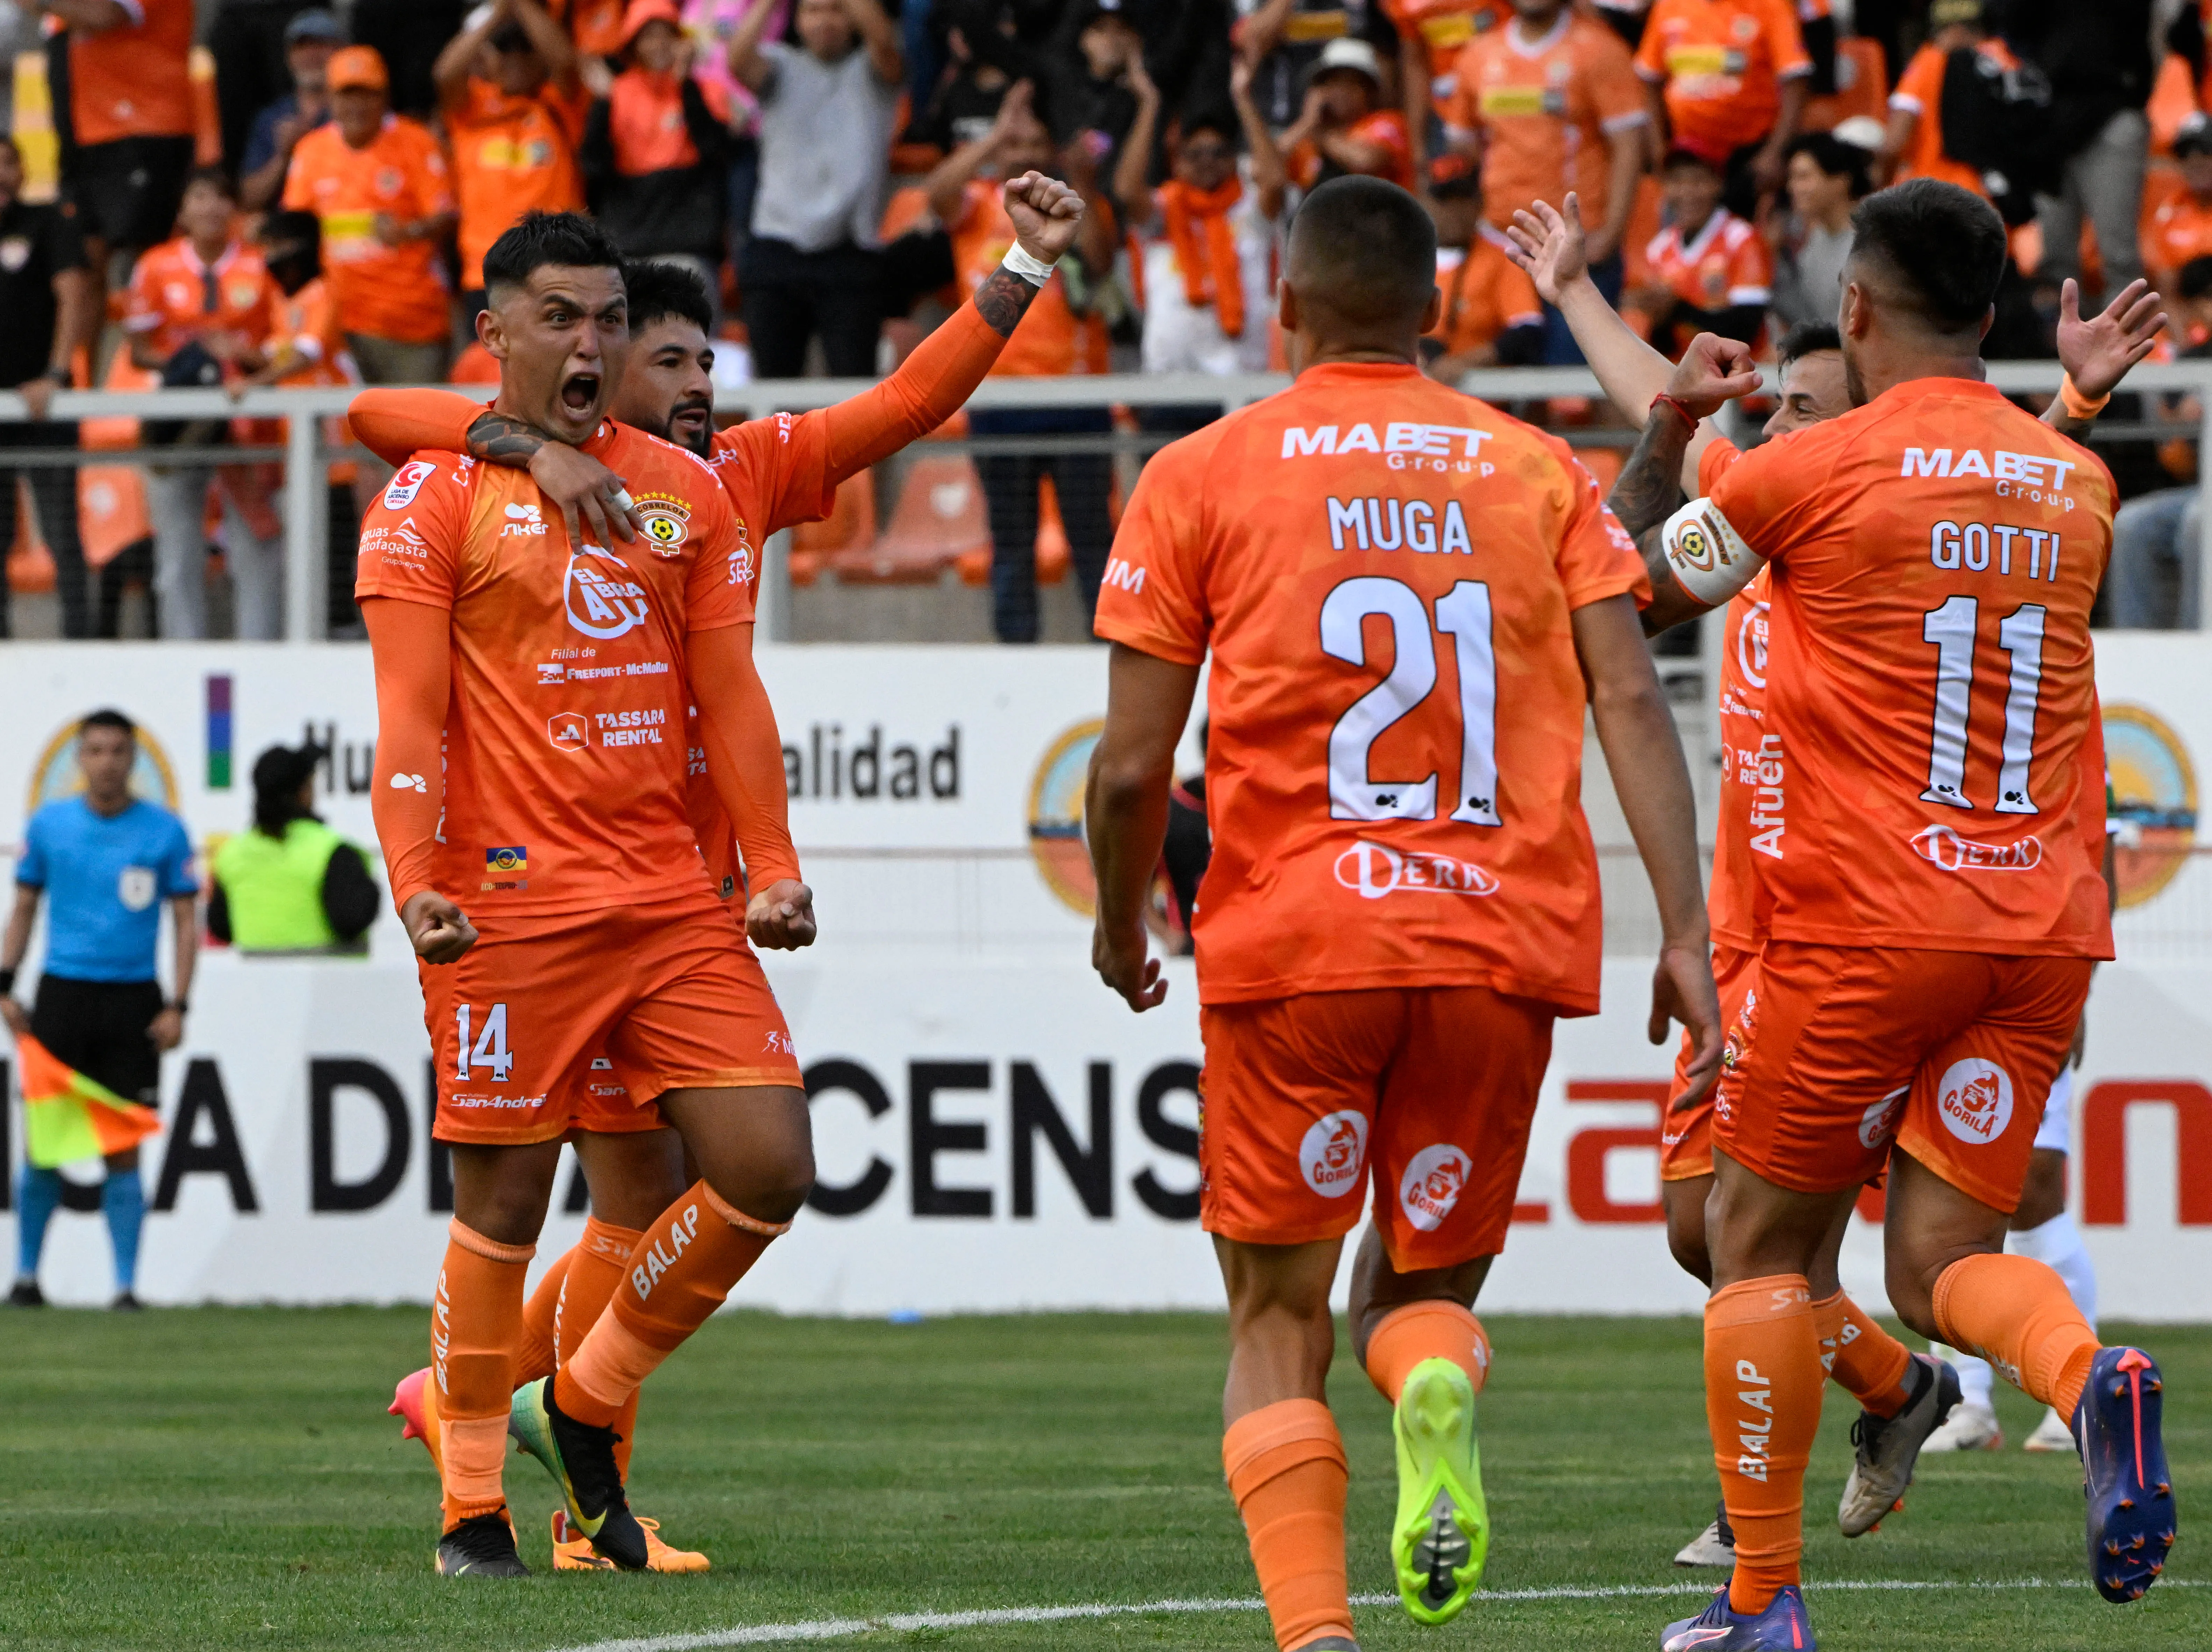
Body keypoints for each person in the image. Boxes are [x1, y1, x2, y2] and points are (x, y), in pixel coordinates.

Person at [355, 185, 1084, 1576]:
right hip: (520, 901)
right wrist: (417, 874)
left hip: (676, 901)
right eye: (655, 353)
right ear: (521, 340)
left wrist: (1022, 263)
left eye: (677, 348)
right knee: (528, 1199)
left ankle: (571, 1411)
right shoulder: (453, 479)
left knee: (727, 1176)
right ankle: (489, 1499)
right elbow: (376, 426)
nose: (685, 379)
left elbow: (903, 414)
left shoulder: (722, 479)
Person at [1085, 173, 1722, 1650]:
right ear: (1434, 308)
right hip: (1497, 949)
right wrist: (1684, 934)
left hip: (1295, 941)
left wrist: (1123, 921)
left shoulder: (1203, 470)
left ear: (1285, 298)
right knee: (1417, 1292)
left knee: (1271, 1316)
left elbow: (1127, 767)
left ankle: (1317, 1634)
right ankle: (1431, 1372)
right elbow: (1629, 693)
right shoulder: (1532, 469)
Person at [1506, 184, 2165, 1567]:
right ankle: (2081, 1372)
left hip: (1862, 926)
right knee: (1930, 1266)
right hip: (2034, 927)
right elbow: (1964, 531)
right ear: (1993, 315)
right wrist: (2078, 410)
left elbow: (1627, 594)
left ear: (1855, 309)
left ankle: (1759, 1587)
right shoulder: (2078, 480)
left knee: (1746, 1235)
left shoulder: (1803, 477)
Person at [1, 710, 197, 1313]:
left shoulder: (164, 832)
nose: (106, 762)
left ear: (133, 760)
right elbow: (26, 908)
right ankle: (28, 1279)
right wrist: (5, 984)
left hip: (133, 999)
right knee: (44, 1144)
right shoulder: (51, 826)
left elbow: (186, 923)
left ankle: (124, 1286)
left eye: (117, 751)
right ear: (78, 760)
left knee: (123, 1146)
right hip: (62, 995)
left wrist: (178, 1004)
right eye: (95, 751)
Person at [924, 79, 1120, 643]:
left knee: (1092, 540)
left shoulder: (1074, 207)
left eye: (1034, 144)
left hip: (1076, 400)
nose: (1025, 156)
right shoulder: (977, 206)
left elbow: (1102, 265)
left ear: (1053, 151)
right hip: (999, 400)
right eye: (1015, 148)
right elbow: (936, 191)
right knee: (1010, 543)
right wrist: (994, 140)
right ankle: (1015, 660)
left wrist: (1082, 181)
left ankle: (1106, 654)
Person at [124, 168, 286, 642]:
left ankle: (260, 653)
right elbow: (139, 350)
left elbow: (283, 341)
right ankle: (183, 654)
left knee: (257, 543)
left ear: (235, 210)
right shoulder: (155, 266)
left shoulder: (262, 266)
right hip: (181, 420)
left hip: (248, 419)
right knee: (176, 550)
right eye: (199, 197)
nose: (211, 208)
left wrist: (241, 356)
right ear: (183, 210)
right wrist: (195, 359)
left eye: (221, 198)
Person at [1441, 0, 1645, 363]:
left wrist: (1611, 232)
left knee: (1572, 388)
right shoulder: (1477, 53)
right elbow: (1461, 145)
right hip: (1499, 243)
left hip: (1573, 241)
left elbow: (1628, 146)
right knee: (1490, 374)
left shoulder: (1600, 49)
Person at [730, 0, 905, 378]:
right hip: (775, 249)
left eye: (835, 10)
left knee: (854, 396)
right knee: (773, 395)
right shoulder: (779, 65)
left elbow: (883, 38)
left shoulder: (874, 71)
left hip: (851, 253)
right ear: (796, 19)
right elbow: (737, 60)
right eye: (813, 10)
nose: (825, 21)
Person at [283, 47, 460, 386]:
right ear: (331, 100)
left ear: (385, 97)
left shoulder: (416, 142)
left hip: (409, 320)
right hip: (337, 323)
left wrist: (409, 231)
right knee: (349, 430)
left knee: (414, 426)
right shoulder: (312, 150)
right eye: (347, 94)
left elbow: (446, 215)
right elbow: (297, 228)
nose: (357, 105)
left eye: (368, 94)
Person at [1113, 57, 1286, 378]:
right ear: (1177, 162)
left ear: (1234, 159)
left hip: (1241, 377)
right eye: (1195, 154)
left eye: (1219, 152)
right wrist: (1150, 106)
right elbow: (1126, 190)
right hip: (1171, 378)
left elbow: (1276, 181)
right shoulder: (1164, 211)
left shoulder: (1247, 211)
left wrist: (1243, 98)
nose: (1208, 161)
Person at [0, 134, 97, 641]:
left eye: (8, 163)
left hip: (43, 406)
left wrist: (56, 374)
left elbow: (74, 295)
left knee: (62, 531)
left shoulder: (48, 222)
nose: (0, 174)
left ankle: (80, 640)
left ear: (21, 172)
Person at [437, 0, 588, 319]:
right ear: (489, 58)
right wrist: (498, 13)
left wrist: (522, 3)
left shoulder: (558, 105)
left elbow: (565, 62)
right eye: (505, 49)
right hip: (489, 271)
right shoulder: (472, 109)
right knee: (490, 367)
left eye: (526, 48)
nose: (515, 58)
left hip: (557, 267)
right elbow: (445, 73)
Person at [581, 0, 733, 302]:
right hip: (630, 248)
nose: (659, 44)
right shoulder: (616, 94)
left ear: (682, 40)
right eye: (648, 36)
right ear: (633, 44)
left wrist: (686, 85)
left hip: (690, 248)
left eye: (668, 34)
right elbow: (593, 166)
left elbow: (717, 151)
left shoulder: (706, 90)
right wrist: (602, 104)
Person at [41, 0, 194, 294]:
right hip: (87, 132)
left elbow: (106, 15)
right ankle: (81, 343)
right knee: (82, 256)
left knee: (147, 253)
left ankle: (156, 336)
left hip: (143, 127)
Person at [2011, 0, 2150, 305]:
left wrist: (2133, 96)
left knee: (2119, 251)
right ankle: (2063, 341)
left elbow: (2147, 33)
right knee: (2056, 256)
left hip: (2111, 112)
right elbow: (2011, 19)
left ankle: (2126, 343)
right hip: (2052, 118)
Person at [1633, 0, 1810, 219]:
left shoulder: (1771, 6)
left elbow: (1796, 81)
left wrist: (1774, 152)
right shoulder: (1668, 7)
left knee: (1745, 239)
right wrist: (1659, 149)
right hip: (1687, 156)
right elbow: (1650, 81)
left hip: (1748, 157)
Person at [208, 745, 379, 956]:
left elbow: (220, 926)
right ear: (304, 792)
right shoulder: (332, 851)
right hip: (332, 985)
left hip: (256, 986)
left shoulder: (231, 854)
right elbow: (353, 919)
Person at [1634, 147, 1769, 358]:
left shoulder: (1742, 240)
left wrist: (1678, 309)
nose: (1687, 192)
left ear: (1718, 184)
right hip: (1682, 380)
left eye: (1698, 181)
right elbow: (1661, 342)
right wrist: (1659, 318)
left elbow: (1747, 330)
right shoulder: (1659, 249)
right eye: (1677, 181)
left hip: (1738, 383)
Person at [1422, 169, 1543, 376]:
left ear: (1480, 205)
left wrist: (1460, 364)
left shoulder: (1504, 255)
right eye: (1445, 201)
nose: (1455, 212)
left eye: (1464, 201)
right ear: (1425, 205)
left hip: (1482, 392)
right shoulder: (1402, 257)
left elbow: (1527, 330)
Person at [1378, 0, 1503, 179]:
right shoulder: (1404, 5)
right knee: (1447, 192)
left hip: (1499, 106)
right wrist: (1417, 145)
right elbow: (1415, 65)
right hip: (1443, 110)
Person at [240, 9, 344, 214]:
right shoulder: (272, 117)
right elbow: (250, 199)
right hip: (287, 226)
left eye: (322, 45)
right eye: (303, 47)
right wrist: (283, 155)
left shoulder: (357, 112)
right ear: (289, 57)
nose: (312, 55)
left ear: (341, 51)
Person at [1282, 37, 1415, 192]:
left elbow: (1366, 161)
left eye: (1351, 84)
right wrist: (1306, 123)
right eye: (1333, 83)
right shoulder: (1309, 137)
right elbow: (1265, 171)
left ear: (1369, 91)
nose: (1341, 93)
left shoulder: (1389, 122)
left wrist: (1322, 135)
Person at [1766, 129, 1866, 329]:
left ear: (1841, 181)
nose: (1793, 187)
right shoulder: (1815, 238)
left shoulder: (1870, 244)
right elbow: (1806, 317)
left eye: (1803, 177)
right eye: (1792, 178)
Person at [2145, 123, 2212, 297]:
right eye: (2185, 155)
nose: (2195, 161)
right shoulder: (2170, 210)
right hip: (2189, 315)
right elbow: (2167, 294)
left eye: (2206, 151)